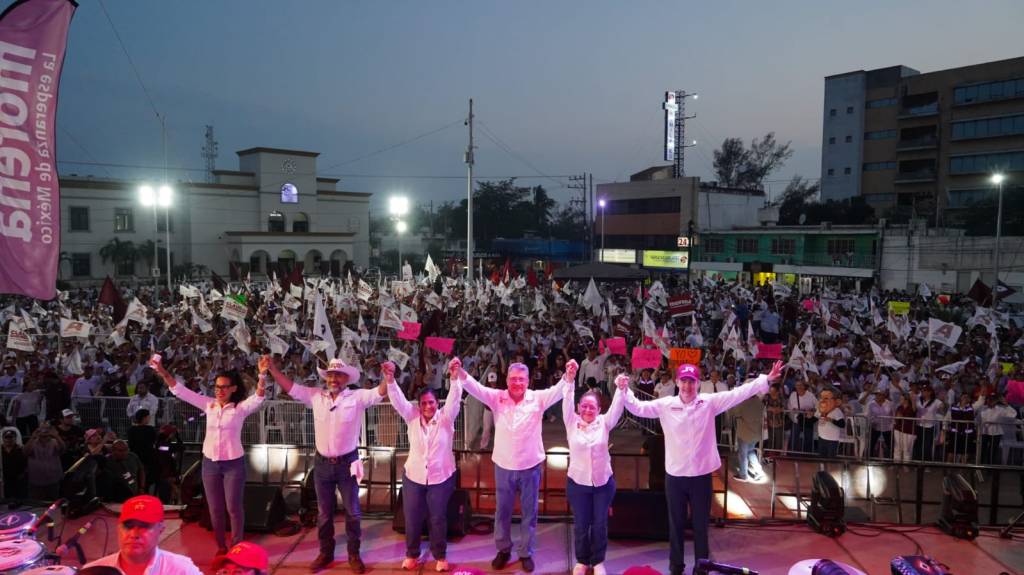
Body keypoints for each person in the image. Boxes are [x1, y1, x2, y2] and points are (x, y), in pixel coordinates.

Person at [621, 361, 784, 575]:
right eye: (684, 381)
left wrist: (766, 379)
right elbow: (638, 408)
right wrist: (623, 390)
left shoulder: (709, 402)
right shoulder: (665, 404)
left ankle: (702, 568)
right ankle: (676, 567)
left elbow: (739, 393)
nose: (688, 386)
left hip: (700, 477)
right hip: (676, 477)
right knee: (676, 525)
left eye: (692, 382)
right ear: (678, 382)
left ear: (698, 384)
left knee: (700, 526)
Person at [266, 356, 386, 573]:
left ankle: (353, 554)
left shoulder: (357, 397)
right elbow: (291, 387)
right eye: (331, 375)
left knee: (353, 512)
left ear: (346, 378)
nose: (334, 379)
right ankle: (326, 552)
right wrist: (273, 371)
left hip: (347, 463)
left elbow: (380, 392)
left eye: (338, 375)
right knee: (324, 513)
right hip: (321, 464)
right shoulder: (315, 396)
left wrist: (389, 376)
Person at [450, 356, 569, 573]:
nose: (517, 383)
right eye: (513, 379)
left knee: (529, 513)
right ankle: (503, 549)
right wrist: (460, 373)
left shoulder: (538, 398)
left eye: (521, 379)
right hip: (503, 466)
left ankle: (526, 552)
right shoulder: (497, 398)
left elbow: (559, 389)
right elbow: (476, 388)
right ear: (507, 381)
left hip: (531, 466)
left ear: (528, 380)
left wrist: (568, 376)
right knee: (502, 512)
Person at [152, 355, 266, 557]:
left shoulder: (240, 409)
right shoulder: (208, 405)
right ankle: (221, 546)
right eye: (217, 387)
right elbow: (180, 391)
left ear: (233, 389)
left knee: (233, 507)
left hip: (234, 464)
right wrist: (162, 371)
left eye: (224, 387)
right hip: (210, 464)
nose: (219, 391)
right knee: (214, 508)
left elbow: (258, 397)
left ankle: (237, 544)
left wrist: (263, 374)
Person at [383, 360, 462, 572]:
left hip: (441, 478)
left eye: (432, 403)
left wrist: (454, 378)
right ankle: (411, 554)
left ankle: (440, 556)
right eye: (424, 403)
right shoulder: (412, 417)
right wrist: (390, 380)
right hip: (414, 478)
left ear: (438, 403)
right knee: (412, 518)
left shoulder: (446, 418)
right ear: (419, 405)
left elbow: (454, 400)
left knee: (437, 518)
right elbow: (398, 401)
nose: (428, 406)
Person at [567, 363, 622, 575]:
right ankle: (582, 560)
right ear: (578, 407)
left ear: (599, 410)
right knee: (581, 525)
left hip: (603, 485)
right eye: (584, 406)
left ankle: (598, 561)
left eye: (592, 407)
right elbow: (566, 400)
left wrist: (621, 389)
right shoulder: (571, 422)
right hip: (577, 484)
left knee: (599, 524)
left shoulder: (604, 423)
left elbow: (616, 409)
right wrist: (570, 381)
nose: (588, 409)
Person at [83, 494, 202, 575]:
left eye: (144, 526)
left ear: (161, 529)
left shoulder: (182, 570)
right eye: (128, 526)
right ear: (118, 528)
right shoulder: (92, 571)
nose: (134, 534)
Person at [815, 386, 845, 458]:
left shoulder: (837, 411)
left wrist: (832, 420)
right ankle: (822, 469)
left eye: (826, 398)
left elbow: (842, 424)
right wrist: (809, 416)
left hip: (832, 440)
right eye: (821, 398)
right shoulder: (820, 409)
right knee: (821, 457)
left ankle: (830, 469)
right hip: (821, 437)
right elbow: (814, 418)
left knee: (830, 459)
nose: (822, 401)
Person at [1, 427, 27, 500]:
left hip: (18, 480)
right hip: (5, 480)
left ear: (15, 438)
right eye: (6, 437)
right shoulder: (0, 450)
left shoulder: (21, 449)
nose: (9, 439)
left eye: (11, 437)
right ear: (3, 438)